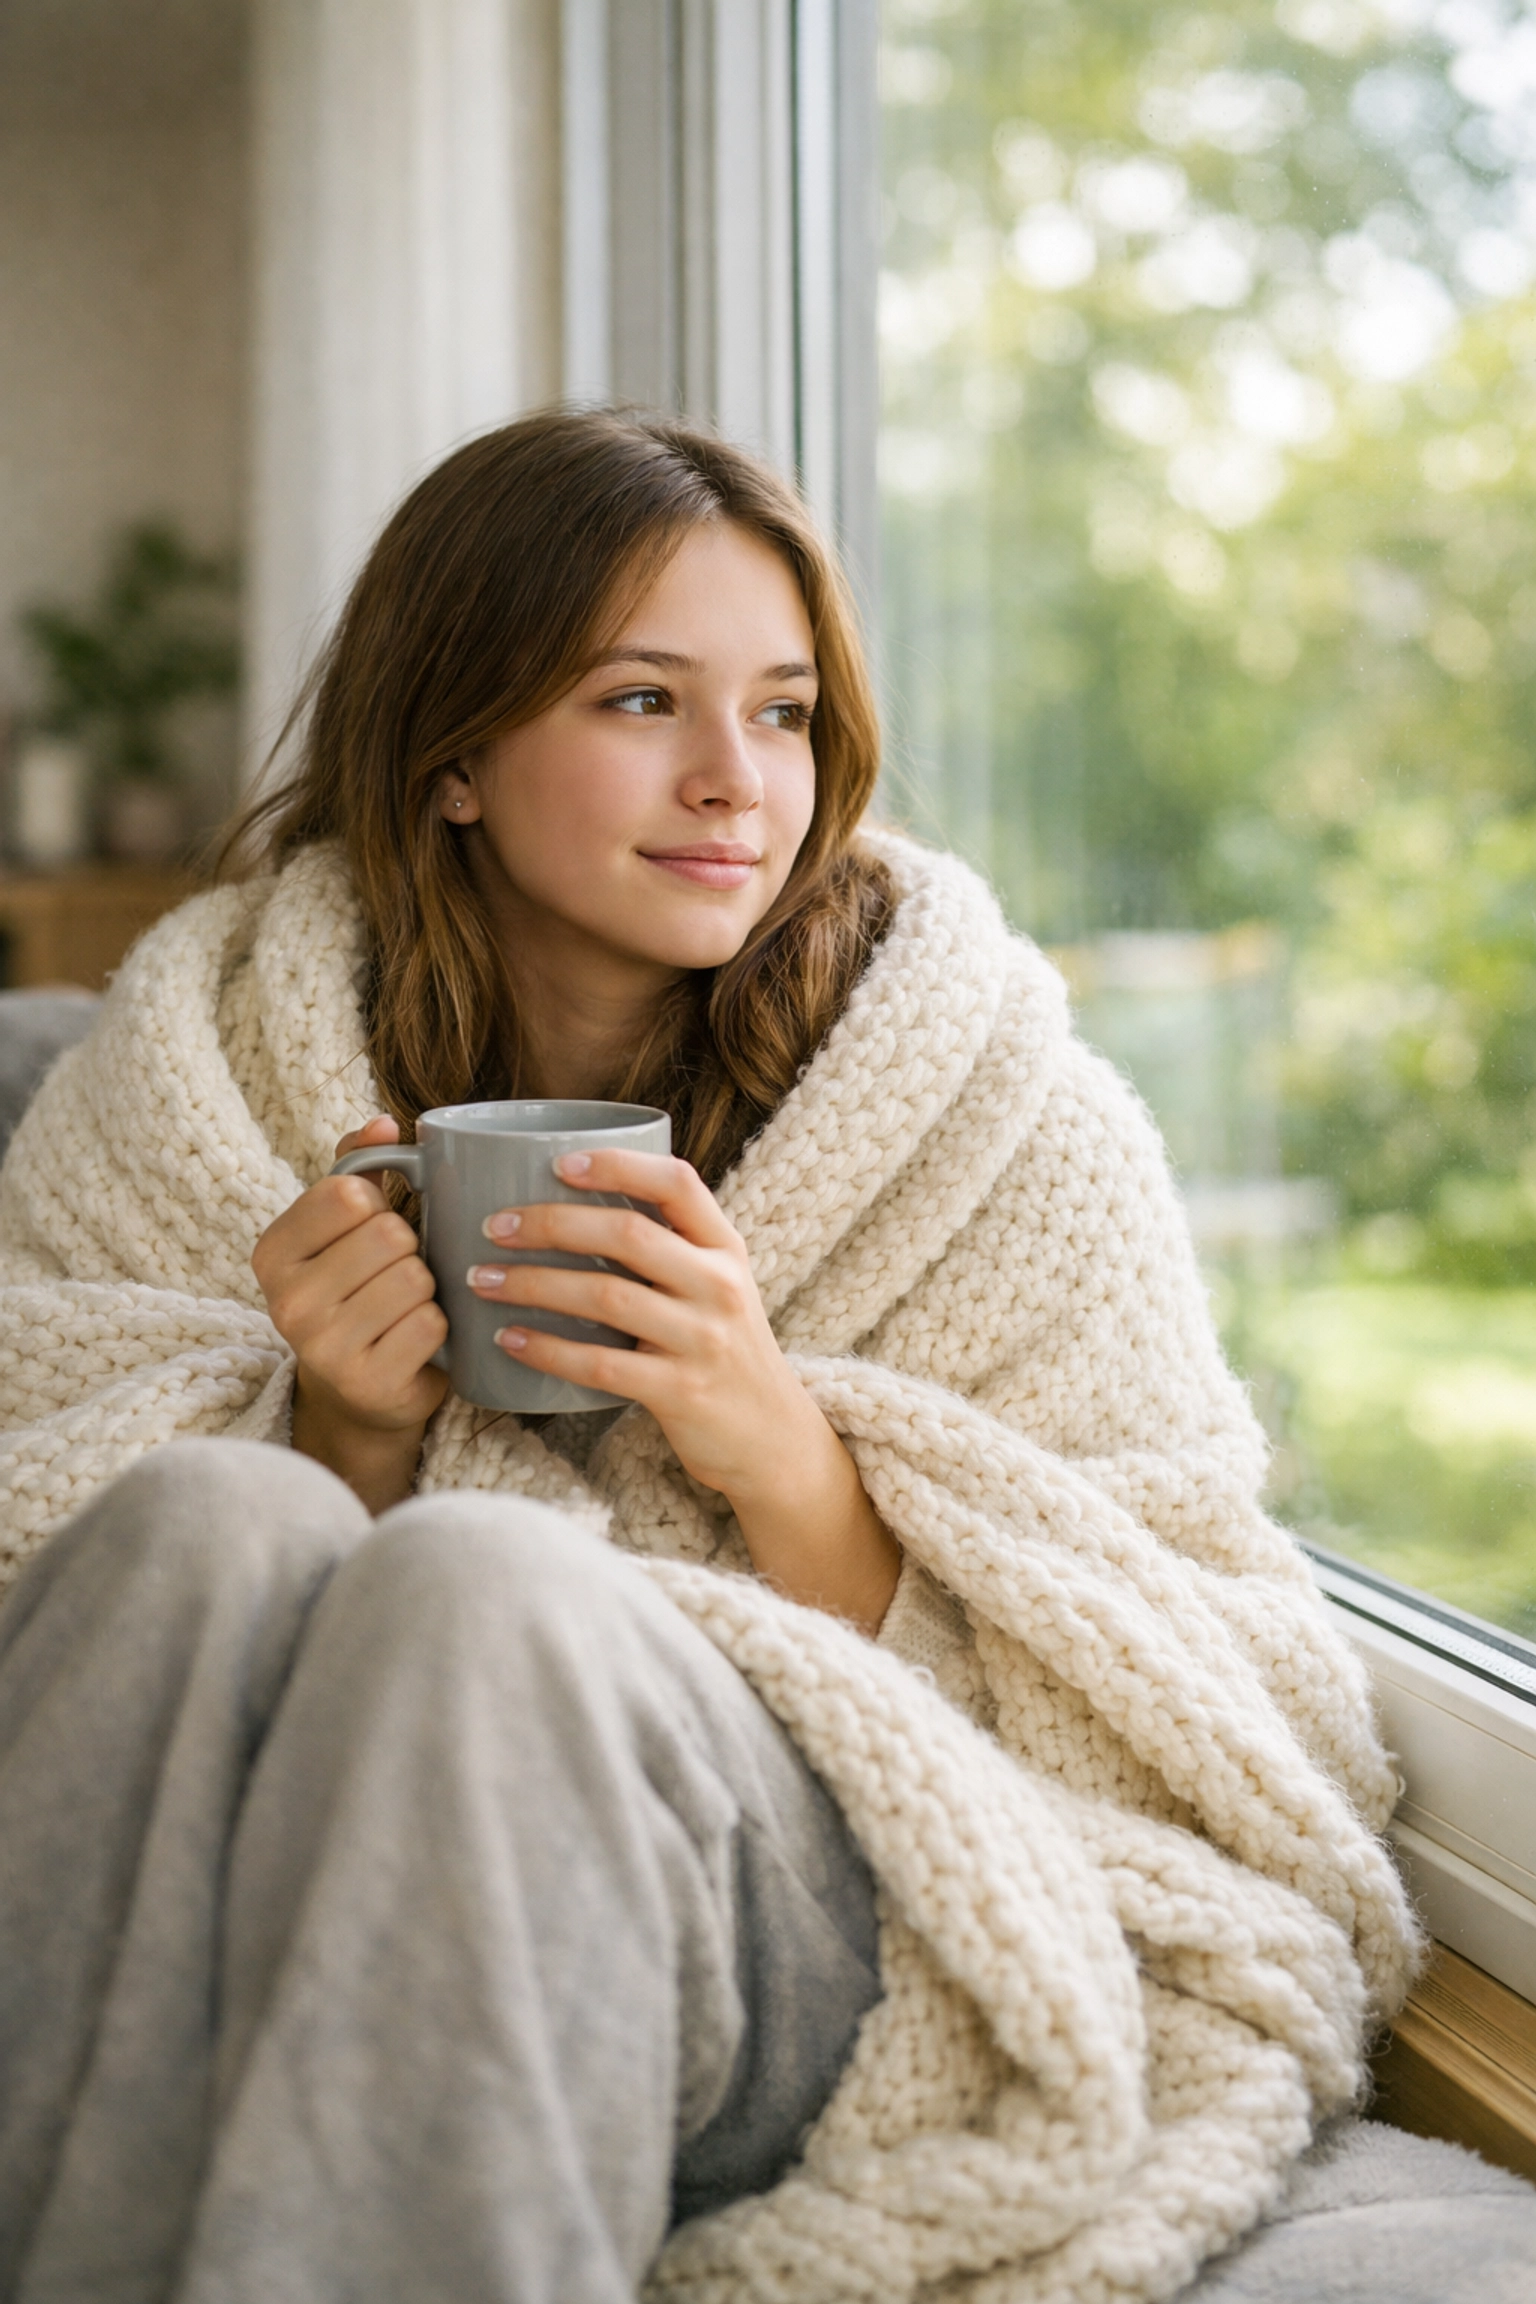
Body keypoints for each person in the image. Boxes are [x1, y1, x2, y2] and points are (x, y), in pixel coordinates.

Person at [0, 411, 1527, 2304]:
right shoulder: (196, 1062)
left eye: (787, 713)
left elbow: (1209, 1678)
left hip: (822, 1900)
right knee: (197, 1518)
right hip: (303, 1868)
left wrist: (778, 1449)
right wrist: (339, 1426)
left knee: (493, 1580)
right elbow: (50, 1517)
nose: (740, 782)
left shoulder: (999, 1114)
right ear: (455, 753)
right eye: (646, 701)